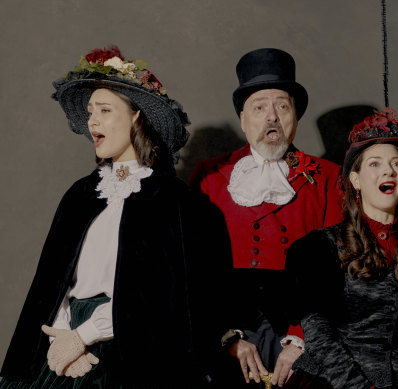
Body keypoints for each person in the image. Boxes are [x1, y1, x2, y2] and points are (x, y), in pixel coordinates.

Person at [0, 45, 227, 388]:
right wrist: (61, 335)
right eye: (91, 111)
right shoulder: (80, 195)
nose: (92, 121)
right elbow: (52, 282)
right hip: (62, 341)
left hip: (134, 351)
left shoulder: (174, 202)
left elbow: (161, 299)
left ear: (137, 115)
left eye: (105, 110)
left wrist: (85, 336)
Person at [189, 48, 344, 388]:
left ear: (295, 117)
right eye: (259, 107)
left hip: (299, 329)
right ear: (243, 119)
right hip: (228, 329)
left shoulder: (329, 177)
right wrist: (225, 336)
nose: (271, 116)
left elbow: (336, 268)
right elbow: (192, 268)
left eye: (282, 106)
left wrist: (301, 338)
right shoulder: (209, 175)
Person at [284, 107, 398, 388]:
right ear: (355, 180)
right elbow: (319, 333)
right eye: (374, 163)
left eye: (396, 164)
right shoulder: (317, 249)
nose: (388, 170)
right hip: (335, 382)